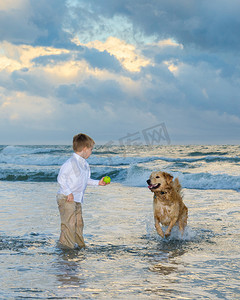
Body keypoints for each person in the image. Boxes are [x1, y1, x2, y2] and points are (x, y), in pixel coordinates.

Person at [56, 133, 109, 249]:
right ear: (84, 149)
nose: (91, 152)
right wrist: (68, 192)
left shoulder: (84, 164)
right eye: (91, 149)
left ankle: (79, 246)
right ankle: (67, 248)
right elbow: (61, 178)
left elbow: (85, 180)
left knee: (78, 223)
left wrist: (98, 183)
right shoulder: (70, 163)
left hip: (77, 198)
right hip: (66, 198)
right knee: (69, 224)